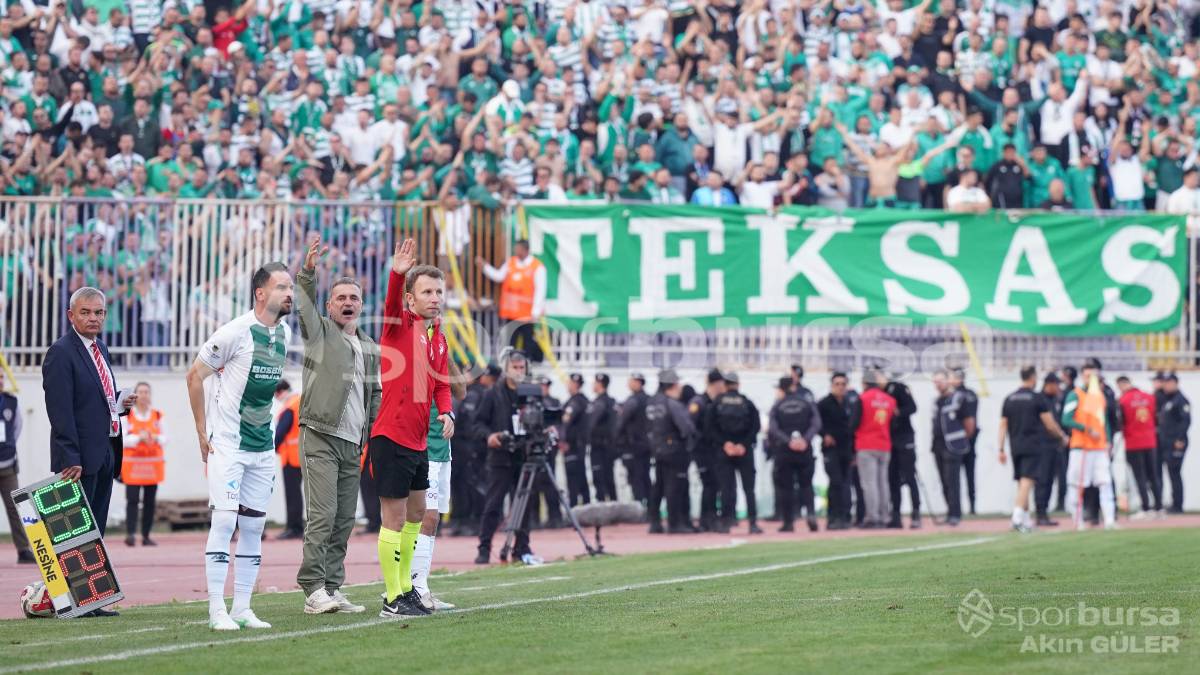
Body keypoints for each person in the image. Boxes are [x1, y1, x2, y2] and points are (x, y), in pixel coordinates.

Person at [185, 264, 293, 630]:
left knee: (253, 527)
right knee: (224, 520)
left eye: (291, 286)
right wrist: (202, 431)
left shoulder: (286, 333)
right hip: (228, 444)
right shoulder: (234, 332)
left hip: (263, 447)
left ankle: (242, 608)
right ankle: (217, 609)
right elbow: (194, 375)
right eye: (282, 286)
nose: (289, 293)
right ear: (261, 293)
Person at [366, 239, 454, 617]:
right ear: (410, 300)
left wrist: (447, 413)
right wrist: (397, 272)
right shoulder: (400, 327)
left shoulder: (438, 337)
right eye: (427, 292)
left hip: (419, 441)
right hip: (391, 437)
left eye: (439, 291)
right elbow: (389, 302)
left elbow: (442, 384)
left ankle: (408, 589)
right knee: (395, 518)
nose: (434, 297)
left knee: (417, 515)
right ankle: (391, 597)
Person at [294, 236, 381, 615]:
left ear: (362, 305)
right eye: (341, 298)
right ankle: (312, 587)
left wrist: (374, 436)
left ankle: (332, 586)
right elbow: (301, 305)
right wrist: (308, 271)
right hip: (320, 434)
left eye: (354, 298)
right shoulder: (320, 332)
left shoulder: (371, 346)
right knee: (323, 514)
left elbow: (374, 395)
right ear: (329, 306)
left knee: (345, 518)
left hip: (353, 443)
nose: (348, 303)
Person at [44, 286, 137, 616]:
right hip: (79, 459)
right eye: (86, 312)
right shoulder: (61, 353)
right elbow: (60, 411)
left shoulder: (102, 349)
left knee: (94, 530)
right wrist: (70, 457)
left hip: (107, 451)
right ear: (71, 315)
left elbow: (98, 401)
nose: (93, 318)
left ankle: (91, 601)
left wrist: (121, 403)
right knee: (76, 533)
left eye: (98, 312)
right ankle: (70, 601)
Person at [412, 364, 466, 612]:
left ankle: (421, 586)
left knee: (433, 521)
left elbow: (461, 390)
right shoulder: (413, 349)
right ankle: (416, 588)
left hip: (443, 448)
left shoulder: (439, 350)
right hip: (423, 448)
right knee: (426, 517)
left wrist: (445, 354)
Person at [475, 350, 535, 565]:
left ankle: (522, 548)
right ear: (506, 369)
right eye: (515, 368)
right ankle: (484, 547)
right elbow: (478, 423)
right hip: (500, 456)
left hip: (524, 455)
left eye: (522, 368)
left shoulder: (530, 393)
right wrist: (489, 436)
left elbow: (540, 419)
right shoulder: (492, 393)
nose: (519, 372)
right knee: (493, 504)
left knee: (524, 504)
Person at [998, 367, 1067, 533]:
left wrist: (1000, 448)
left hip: (1015, 445)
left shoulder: (1010, 398)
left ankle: (1026, 520)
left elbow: (1002, 425)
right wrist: (1062, 437)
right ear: (1033, 377)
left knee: (1022, 482)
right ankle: (1016, 517)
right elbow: (1050, 424)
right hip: (1033, 445)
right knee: (1028, 480)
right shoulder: (1037, 398)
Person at [1060, 360, 1117, 530]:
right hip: (1081, 447)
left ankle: (1109, 520)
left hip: (1099, 448)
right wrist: (1085, 429)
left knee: (1105, 482)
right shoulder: (1075, 395)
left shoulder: (1100, 396)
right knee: (1077, 483)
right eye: (1087, 375)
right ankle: (1077, 519)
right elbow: (1066, 419)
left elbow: (1104, 421)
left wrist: (1107, 440)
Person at [476, 239, 546, 362]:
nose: (516, 250)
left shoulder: (537, 267)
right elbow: (499, 276)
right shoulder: (511, 262)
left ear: (525, 250)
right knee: (509, 340)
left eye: (518, 248)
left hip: (526, 314)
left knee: (527, 341)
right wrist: (485, 267)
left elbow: (540, 290)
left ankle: (527, 364)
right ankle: (508, 365)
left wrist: (535, 311)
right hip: (511, 312)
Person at [449, 364, 498, 537]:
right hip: (462, 444)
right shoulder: (465, 393)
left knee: (473, 483)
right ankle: (462, 518)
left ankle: (474, 520)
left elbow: (473, 422)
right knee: (460, 483)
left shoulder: (477, 394)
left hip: (471, 444)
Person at [710, 372, 762, 535]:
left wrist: (725, 444)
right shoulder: (747, 403)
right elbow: (756, 427)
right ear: (738, 384)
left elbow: (709, 427)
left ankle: (726, 522)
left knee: (726, 488)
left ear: (725, 385)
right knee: (749, 489)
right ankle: (752, 523)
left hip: (724, 451)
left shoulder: (717, 403)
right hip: (744, 451)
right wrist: (743, 444)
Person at [768, 376, 822, 532]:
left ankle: (788, 521)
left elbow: (773, 428)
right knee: (806, 485)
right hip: (805, 450)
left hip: (785, 451)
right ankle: (810, 514)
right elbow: (816, 423)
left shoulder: (778, 405)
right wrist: (805, 440)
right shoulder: (806, 402)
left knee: (786, 487)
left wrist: (788, 441)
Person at [646, 369, 697, 534]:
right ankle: (675, 523)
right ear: (673, 384)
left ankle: (655, 522)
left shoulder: (651, 403)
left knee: (658, 487)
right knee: (674, 488)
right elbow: (686, 427)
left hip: (657, 449)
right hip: (675, 451)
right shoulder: (672, 404)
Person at [121, 381, 165, 547]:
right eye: (141, 392)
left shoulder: (157, 415)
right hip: (133, 467)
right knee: (132, 500)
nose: (144, 395)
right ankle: (130, 534)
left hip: (152, 467)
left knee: (149, 502)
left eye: (147, 392)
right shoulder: (129, 416)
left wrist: (154, 438)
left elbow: (166, 438)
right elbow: (123, 439)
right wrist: (138, 438)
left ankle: (146, 535)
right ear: (136, 395)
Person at [854, 369, 897, 529]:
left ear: (865, 383)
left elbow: (854, 423)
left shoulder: (863, 398)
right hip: (884, 444)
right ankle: (884, 515)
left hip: (866, 444)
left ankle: (872, 517)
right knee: (882, 483)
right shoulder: (889, 400)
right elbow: (892, 423)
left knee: (869, 483)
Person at [1116, 376, 1163, 518]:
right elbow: (1156, 418)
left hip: (1133, 443)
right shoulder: (1149, 397)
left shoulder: (1123, 400)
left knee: (1140, 476)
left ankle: (1146, 508)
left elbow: (1120, 422)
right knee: (1153, 475)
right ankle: (1159, 508)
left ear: (1121, 385)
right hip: (1150, 441)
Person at [818, 372, 860, 530]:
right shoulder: (823, 403)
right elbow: (816, 423)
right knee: (835, 482)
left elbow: (855, 428)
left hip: (847, 449)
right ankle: (833, 517)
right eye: (837, 384)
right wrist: (824, 435)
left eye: (843, 384)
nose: (840, 387)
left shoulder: (851, 403)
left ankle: (845, 516)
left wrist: (854, 451)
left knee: (846, 484)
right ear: (832, 385)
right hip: (831, 449)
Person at [0, 370, 34, 564]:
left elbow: (16, 428)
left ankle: (23, 550)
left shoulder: (11, 402)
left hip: (7, 464)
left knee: (16, 508)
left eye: (2, 377)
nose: (1, 381)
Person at [931, 369, 972, 526]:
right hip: (938, 446)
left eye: (940, 381)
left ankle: (955, 513)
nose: (938, 384)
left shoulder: (958, 399)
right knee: (944, 481)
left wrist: (963, 438)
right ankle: (950, 512)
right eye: (936, 382)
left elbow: (969, 423)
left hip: (953, 446)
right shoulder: (936, 401)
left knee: (952, 481)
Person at [688, 369, 726, 532]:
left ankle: (711, 517)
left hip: (715, 450)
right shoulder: (699, 402)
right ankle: (706, 518)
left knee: (715, 484)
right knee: (709, 484)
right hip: (702, 450)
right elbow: (690, 426)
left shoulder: (717, 401)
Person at [884, 372, 921, 529]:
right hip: (889, 440)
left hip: (904, 438)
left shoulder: (898, 388)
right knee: (892, 479)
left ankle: (916, 513)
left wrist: (897, 412)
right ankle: (896, 515)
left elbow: (912, 407)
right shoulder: (878, 393)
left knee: (910, 477)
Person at [1033, 373, 1066, 526]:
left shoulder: (1054, 399)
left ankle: (1044, 513)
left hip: (1053, 446)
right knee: (1043, 480)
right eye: (1057, 384)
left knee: (1049, 480)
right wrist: (1062, 437)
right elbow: (1050, 424)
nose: (1059, 388)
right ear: (1049, 384)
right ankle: (1040, 513)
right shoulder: (1040, 399)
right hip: (1042, 446)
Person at [273, 380, 304, 540]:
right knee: (300, 494)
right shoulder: (299, 401)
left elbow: (280, 432)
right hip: (302, 454)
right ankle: (298, 526)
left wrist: (274, 447)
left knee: (293, 495)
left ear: (279, 391)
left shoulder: (289, 407)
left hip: (291, 458)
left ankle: (294, 527)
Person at [617, 373, 652, 509]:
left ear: (638, 383)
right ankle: (649, 508)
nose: (629, 384)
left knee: (636, 478)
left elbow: (621, 422)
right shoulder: (650, 399)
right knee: (645, 477)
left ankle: (640, 508)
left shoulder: (632, 401)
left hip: (634, 445)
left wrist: (618, 440)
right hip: (647, 445)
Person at [1157, 374, 1190, 514]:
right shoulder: (1166, 399)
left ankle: (1178, 505)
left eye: (1169, 382)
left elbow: (1185, 421)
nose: (1166, 385)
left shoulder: (1180, 400)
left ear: (1176, 383)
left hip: (1176, 443)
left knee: (1175, 473)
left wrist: (1180, 439)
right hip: (1165, 442)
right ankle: (1172, 503)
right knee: (1169, 473)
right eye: (1164, 383)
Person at [950, 369, 980, 515]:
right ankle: (971, 507)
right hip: (971, 438)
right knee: (969, 475)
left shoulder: (955, 396)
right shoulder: (972, 394)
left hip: (958, 440)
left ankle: (959, 508)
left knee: (956, 476)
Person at [560, 373, 591, 508]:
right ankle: (585, 506)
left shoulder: (575, 402)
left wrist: (562, 439)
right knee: (581, 476)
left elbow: (566, 421)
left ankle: (574, 509)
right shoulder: (584, 400)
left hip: (573, 445)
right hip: (579, 444)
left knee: (573, 477)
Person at [585, 373, 618, 502]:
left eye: (595, 383)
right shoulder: (611, 401)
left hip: (599, 447)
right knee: (609, 478)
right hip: (609, 446)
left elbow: (591, 424)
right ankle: (614, 504)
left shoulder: (599, 403)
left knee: (599, 477)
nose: (593, 385)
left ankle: (602, 507)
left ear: (599, 384)